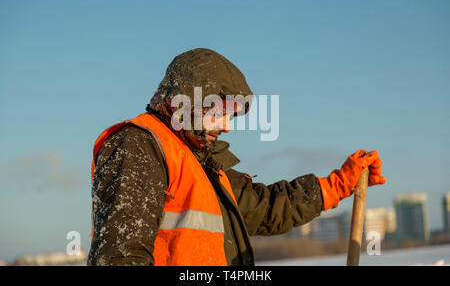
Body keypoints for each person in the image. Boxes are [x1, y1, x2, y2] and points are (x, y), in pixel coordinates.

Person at [87, 48, 386, 266]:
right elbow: (119, 259)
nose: (227, 125)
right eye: (218, 112)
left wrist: (338, 184)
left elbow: (266, 207)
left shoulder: (202, 163)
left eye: (230, 115)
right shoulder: (140, 145)